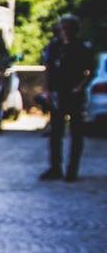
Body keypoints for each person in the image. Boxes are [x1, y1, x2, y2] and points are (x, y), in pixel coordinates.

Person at [40, 14, 96, 182]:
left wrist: (80, 87)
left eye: (68, 28)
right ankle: (55, 167)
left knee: (76, 133)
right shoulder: (55, 46)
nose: (65, 31)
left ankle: (72, 170)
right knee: (56, 133)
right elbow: (48, 68)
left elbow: (90, 71)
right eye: (63, 28)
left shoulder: (82, 47)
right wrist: (47, 90)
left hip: (74, 95)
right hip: (58, 93)